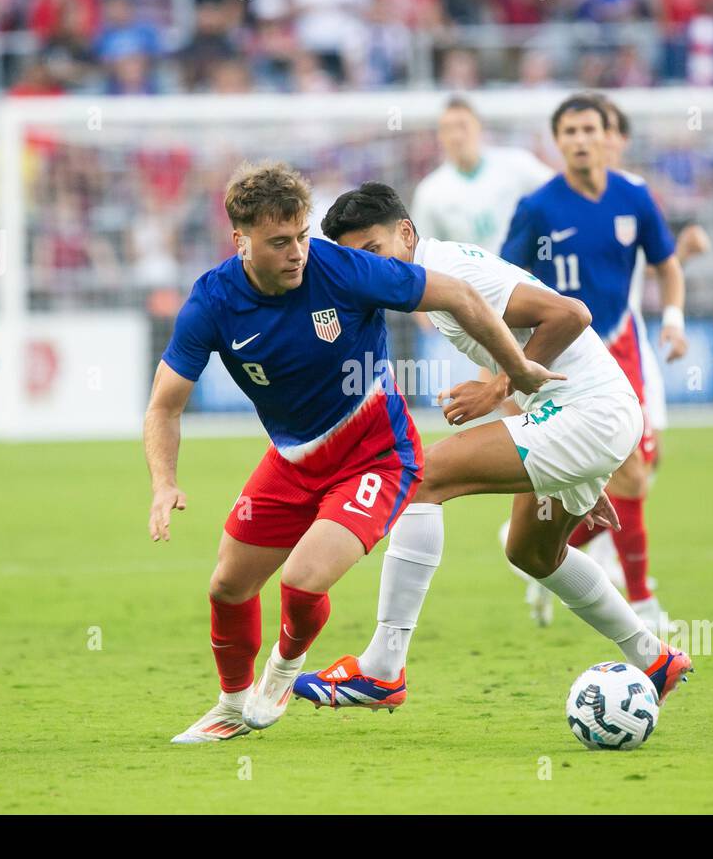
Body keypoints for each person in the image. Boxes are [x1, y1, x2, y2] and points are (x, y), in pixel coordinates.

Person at [143, 161, 563, 743]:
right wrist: (164, 483)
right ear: (240, 240)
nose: (297, 253)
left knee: (302, 579)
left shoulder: (342, 268)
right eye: (279, 242)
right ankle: (231, 706)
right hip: (292, 461)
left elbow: (462, 297)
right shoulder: (212, 302)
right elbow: (164, 405)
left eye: (301, 236)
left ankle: (284, 672)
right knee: (227, 587)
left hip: (377, 456)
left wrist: (513, 370)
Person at [292, 182, 693, 714]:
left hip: (588, 412)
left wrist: (500, 386)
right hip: (584, 418)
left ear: (406, 233)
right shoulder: (429, 282)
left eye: (374, 252)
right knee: (531, 552)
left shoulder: (456, 270)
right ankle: (653, 657)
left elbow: (571, 314)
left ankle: (383, 668)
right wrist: (572, 467)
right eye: (354, 261)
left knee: (420, 476)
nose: (369, 269)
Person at [500, 93, 688, 634]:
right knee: (624, 475)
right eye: (570, 132)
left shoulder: (633, 196)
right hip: (560, 362)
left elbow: (667, 265)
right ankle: (645, 603)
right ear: (557, 142)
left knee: (633, 475)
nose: (581, 140)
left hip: (625, 352)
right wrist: (511, 365)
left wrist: (673, 317)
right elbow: (503, 287)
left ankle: (537, 557)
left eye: (590, 130)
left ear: (608, 136)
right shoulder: (538, 208)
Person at [410, 97, 554, 256]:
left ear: (479, 127)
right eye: (447, 129)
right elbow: (423, 254)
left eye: (462, 126)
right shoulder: (429, 191)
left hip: (524, 273)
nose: (456, 136)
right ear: (440, 136)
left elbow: (561, 191)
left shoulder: (518, 164)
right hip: (467, 279)